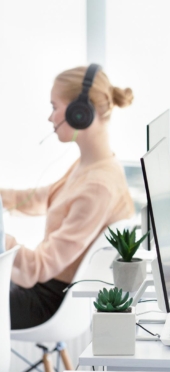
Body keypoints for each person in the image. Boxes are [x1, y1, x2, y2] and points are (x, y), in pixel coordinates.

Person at [3, 65, 135, 330]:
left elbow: (38, 267)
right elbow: (43, 199)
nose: (50, 118)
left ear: (80, 112)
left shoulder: (98, 185)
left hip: (45, 302)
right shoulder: (94, 165)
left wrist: (2, 240)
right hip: (43, 289)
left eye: (54, 106)